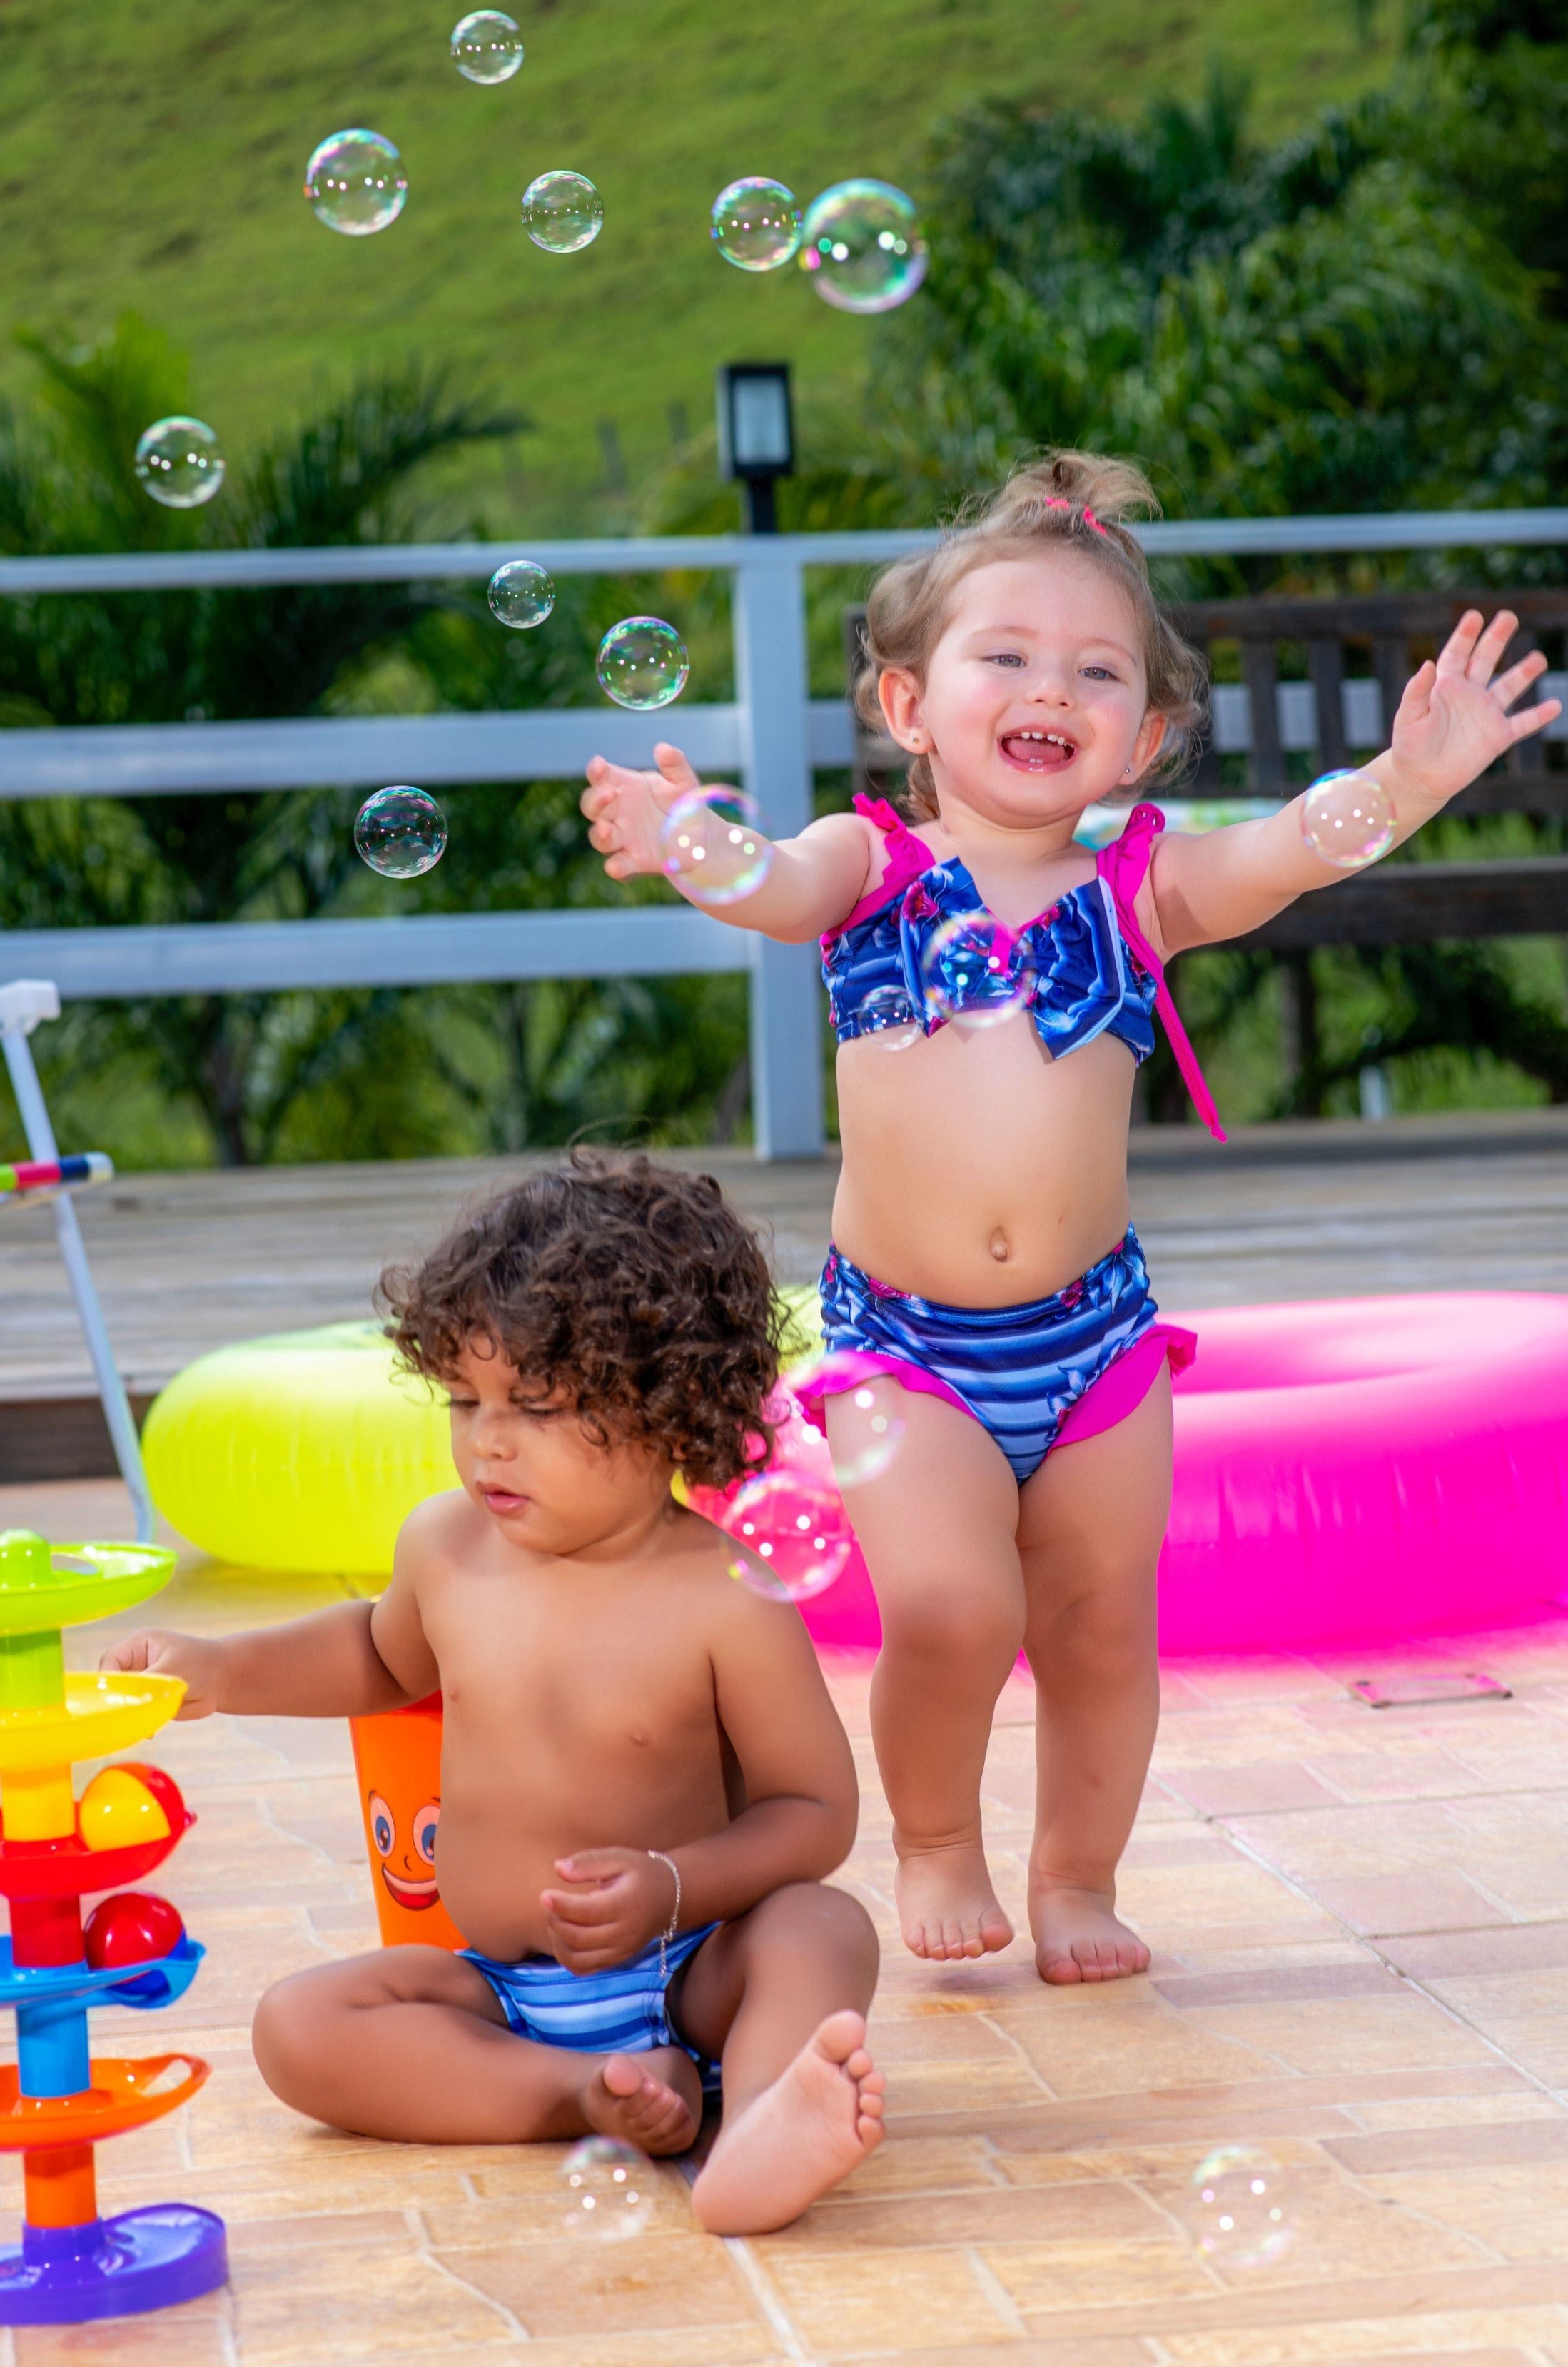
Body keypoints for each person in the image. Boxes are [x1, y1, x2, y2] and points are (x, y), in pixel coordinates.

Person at [580, 452, 1559, 1985]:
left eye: (1095, 669)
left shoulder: (1139, 891)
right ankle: (934, 1840)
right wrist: (689, 840)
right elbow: (765, 881)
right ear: (909, 705)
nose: (1052, 686)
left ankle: (1077, 1873)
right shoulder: (870, 869)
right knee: (958, 1605)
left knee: (1103, 1628)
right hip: (905, 1345)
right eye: (1007, 655)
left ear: (1146, 736)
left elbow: (1290, 849)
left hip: (1094, 1338)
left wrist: (1414, 779)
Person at [102, 1156, 884, 2236]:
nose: (488, 1440)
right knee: (298, 2026)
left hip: (693, 1969)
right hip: (505, 1997)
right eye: (466, 1400)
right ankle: (577, 2098)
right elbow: (382, 1663)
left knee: (821, 1928)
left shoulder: (721, 1597)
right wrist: (226, 1671)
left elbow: (814, 1815)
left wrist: (673, 1883)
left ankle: (756, 2124)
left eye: (537, 1404)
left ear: (670, 1405)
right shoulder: (446, 1549)